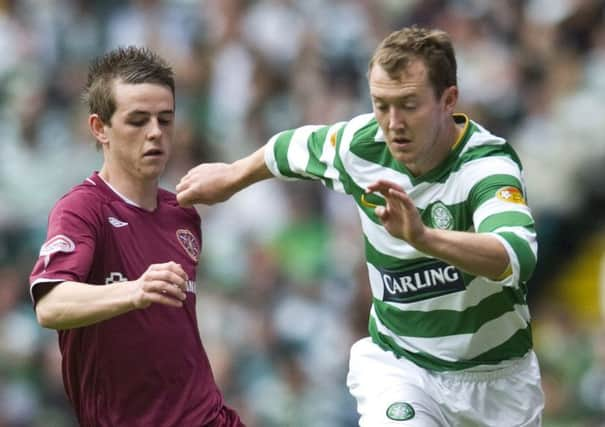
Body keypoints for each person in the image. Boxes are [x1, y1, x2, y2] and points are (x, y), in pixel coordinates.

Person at [176, 26, 544, 426]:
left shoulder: (486, 167)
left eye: (408, 104)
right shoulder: (360, 145)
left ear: (448, 100)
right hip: (403, 367)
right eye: (381, 104)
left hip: (498, 383)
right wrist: (233, 175)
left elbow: (516, 255)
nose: (393, 123)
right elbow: (292, 149)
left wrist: (424, 238)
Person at [29, 46, 245, 427]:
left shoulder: (182, 214)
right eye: (138, 120)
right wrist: (135, 290)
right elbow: (50, 306)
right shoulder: (83, 208)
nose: (155, 133)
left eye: (165, 119)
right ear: (100, 128)